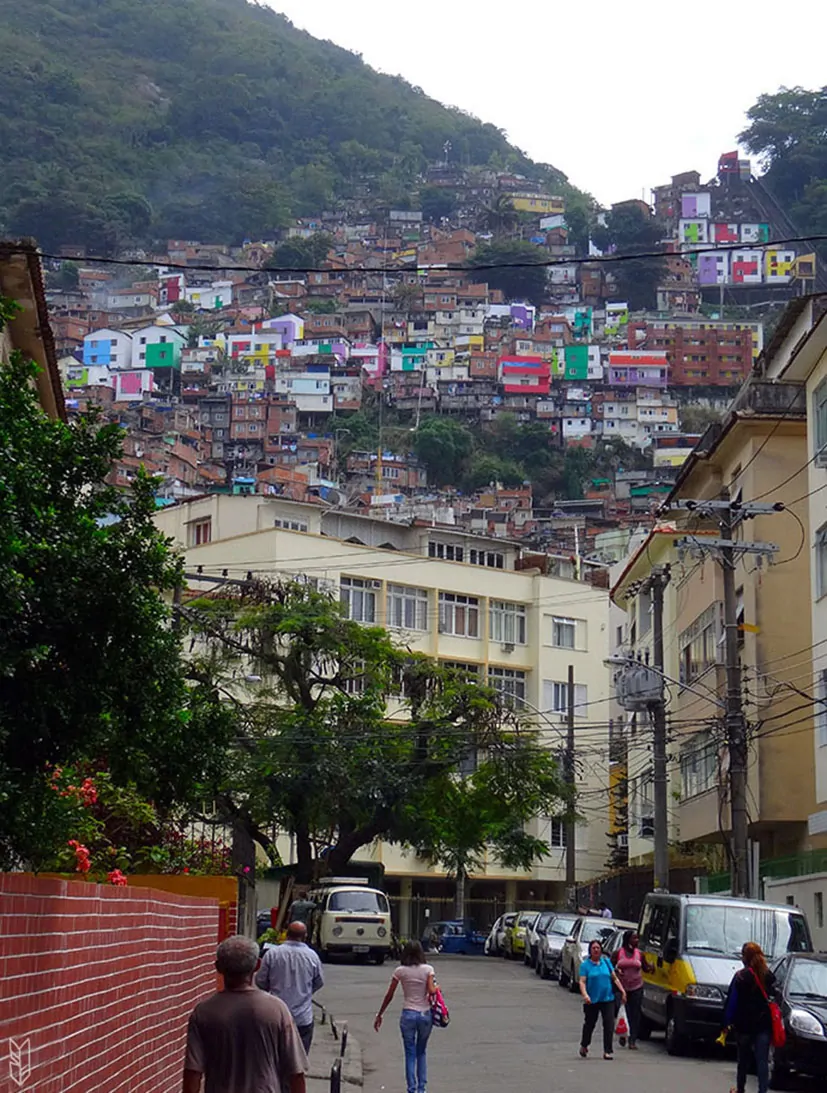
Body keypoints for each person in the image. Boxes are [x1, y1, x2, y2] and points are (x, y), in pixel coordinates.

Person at [183, 935, 307, 1093]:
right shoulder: (277, 1010)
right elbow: (296, 1072)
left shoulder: (204, 1012)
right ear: (257, 965)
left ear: (218, 967)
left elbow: (193, 1072)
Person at [374, 940, 437, 1093]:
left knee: (410, 1053)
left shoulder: (400, 971)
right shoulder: (428, 969)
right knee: (421, 1052)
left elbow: (390, 994)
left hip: (408, 1014)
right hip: (424, 1015)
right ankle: (422, 1089)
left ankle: (411, 1089)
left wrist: (380, 1013)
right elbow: (432, 991)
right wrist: (437, 988)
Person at [256, 921, 324, 1054]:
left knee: (274, 1057)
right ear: (305, 936)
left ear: (287, 934)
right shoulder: (312, 956)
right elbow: (319, 981)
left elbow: (260, 981)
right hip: (302, 1017)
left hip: (275, 1015)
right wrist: (306, 991)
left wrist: (270, 991)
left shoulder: (272, 954)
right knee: (300, 1058)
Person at [724, 941, 777, 1093]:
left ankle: (741, 1089)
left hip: (744, 1025)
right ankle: (762, 1090)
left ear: (745, 958)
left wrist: (726, 1023)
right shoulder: (768, 976)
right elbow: (775, 997)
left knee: (743, 1061)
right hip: (763, 1026)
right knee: (762, 1061)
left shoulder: (740, 977)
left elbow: (732, 1001)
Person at [579, 939, 627, 1060]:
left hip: (607, 998)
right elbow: (582, 981)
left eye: (598, 948)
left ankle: (607, 1051)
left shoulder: (606, 962)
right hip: (592, 1000)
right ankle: (584, 1045)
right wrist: (585, 995)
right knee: (590, 1024)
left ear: (601, 950)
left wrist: (622, 991)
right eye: (593, 948)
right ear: (590, 950)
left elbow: (614, 978)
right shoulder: (585, 965)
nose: (596, 950)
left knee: (609, 1024)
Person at [612, 929, 653, 1049]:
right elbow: (610, 966)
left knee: (635, 1014)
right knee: (621, 1011)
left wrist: (652, 967)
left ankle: (632, 1040)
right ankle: (623, 1034)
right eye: (634, 938)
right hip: (621, 987)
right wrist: (616, 970)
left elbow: (645, 968)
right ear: (627, 939)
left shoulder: (640, 954)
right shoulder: (618, 953)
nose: (637, 940)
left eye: (637, 938)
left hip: (636, 987)